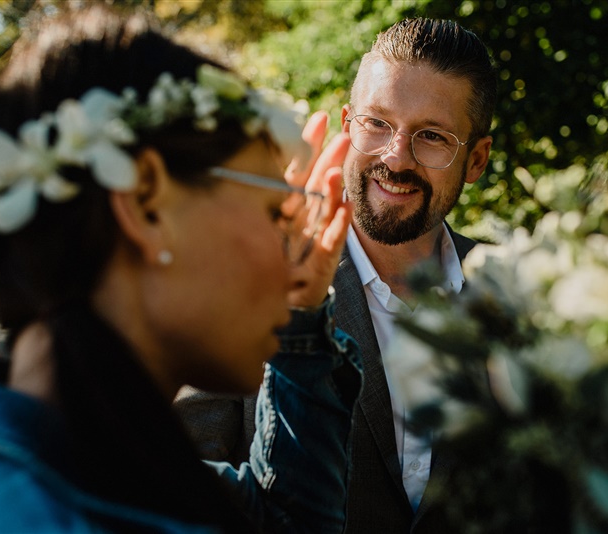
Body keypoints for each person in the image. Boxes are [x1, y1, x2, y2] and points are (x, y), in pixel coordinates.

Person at [0, 4, 362, 533]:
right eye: (273, 213)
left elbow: (284, 524)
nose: (291, 266)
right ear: (146, 202)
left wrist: (301, 320)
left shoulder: (81, 468)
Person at [175, 17, 497, 533]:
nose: (396, 156)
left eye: (432, 136)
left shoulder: (521, 290)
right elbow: (179, 486)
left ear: (476, 159)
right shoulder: (244, 278)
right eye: (378, 123)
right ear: (348, 123)